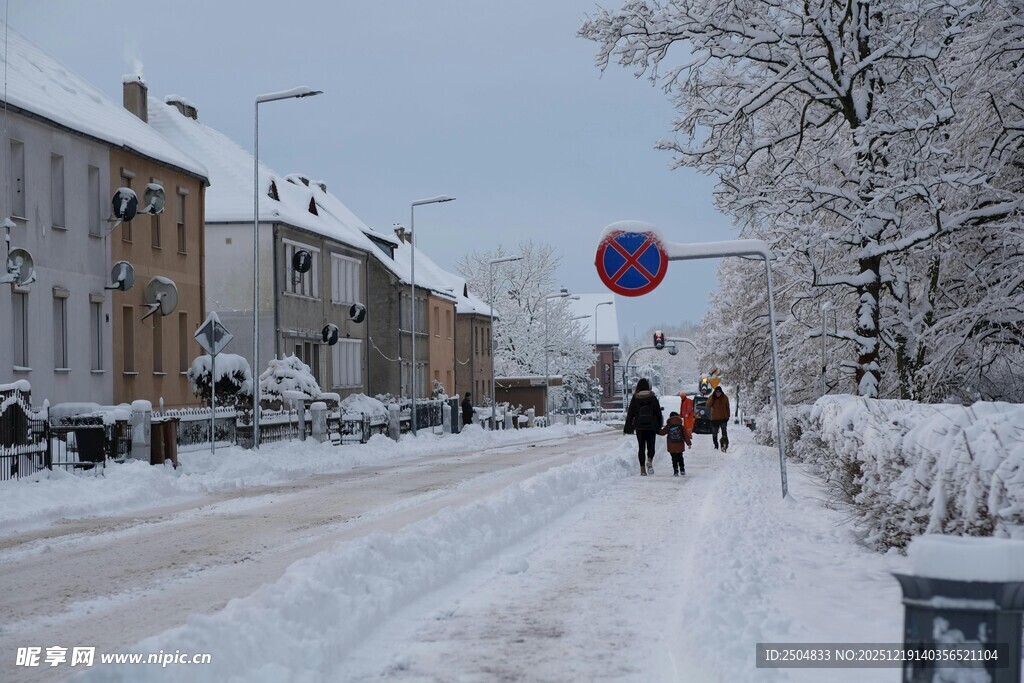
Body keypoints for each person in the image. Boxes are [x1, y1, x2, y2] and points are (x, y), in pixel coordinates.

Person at [623, 378, 663, 476]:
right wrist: (659, 426)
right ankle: (649, 460)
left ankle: (642, 470)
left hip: (640, 427)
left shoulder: (635, 398)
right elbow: (658, 412)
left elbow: (630, 414)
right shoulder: (652, 397)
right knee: (651, 446)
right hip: (651, 426)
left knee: (641, 447)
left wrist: (628, 428)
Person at [658, 411, 692, 475]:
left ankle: (675, 470)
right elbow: (685, 435)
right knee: (680, 456)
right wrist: (689, 443)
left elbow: (662, 432)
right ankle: (682, 469)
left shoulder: (668, 426)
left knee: (674, 458)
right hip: (680, 444)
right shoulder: (681, 426)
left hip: (671, 445)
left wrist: (656, 430)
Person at [706, 385, 731, 452]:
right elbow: (708, 405)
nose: (718, 394)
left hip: (723, 418)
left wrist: (728, 416)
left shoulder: (725, 398)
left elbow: (727, 407)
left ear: (721, 392)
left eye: (719, 392)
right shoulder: (712, 397)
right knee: (714, 433)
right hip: (715, 419)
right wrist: (712, 399)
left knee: (724, 432)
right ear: (715, 392)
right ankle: (716, 445)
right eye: (717, 392)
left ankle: (724, 445)